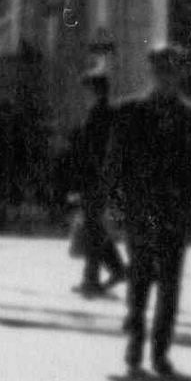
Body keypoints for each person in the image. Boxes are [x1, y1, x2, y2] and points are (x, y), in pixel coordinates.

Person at [101, 41, 191, 381]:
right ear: (151, 73)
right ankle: (135, 344)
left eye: (172, 73)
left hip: (175, 212)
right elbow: (114, 165)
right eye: (161, 72)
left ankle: (161, 352)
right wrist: (113, 207)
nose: (166, 79)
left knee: (169, 285)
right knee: (139, 280)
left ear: (180, 76)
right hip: (141, 209)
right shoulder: (129, 112)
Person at [64, 65, 125, 298]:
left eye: (87, 89)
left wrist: (80, 183)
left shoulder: (98, 115)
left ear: (94, 90)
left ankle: (92, 280)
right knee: (95, 228)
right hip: (100, 180)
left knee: (92, 230)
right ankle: (116, 270)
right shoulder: (107, 113)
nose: (85, 94)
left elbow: (90, 152)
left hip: (94, 181)